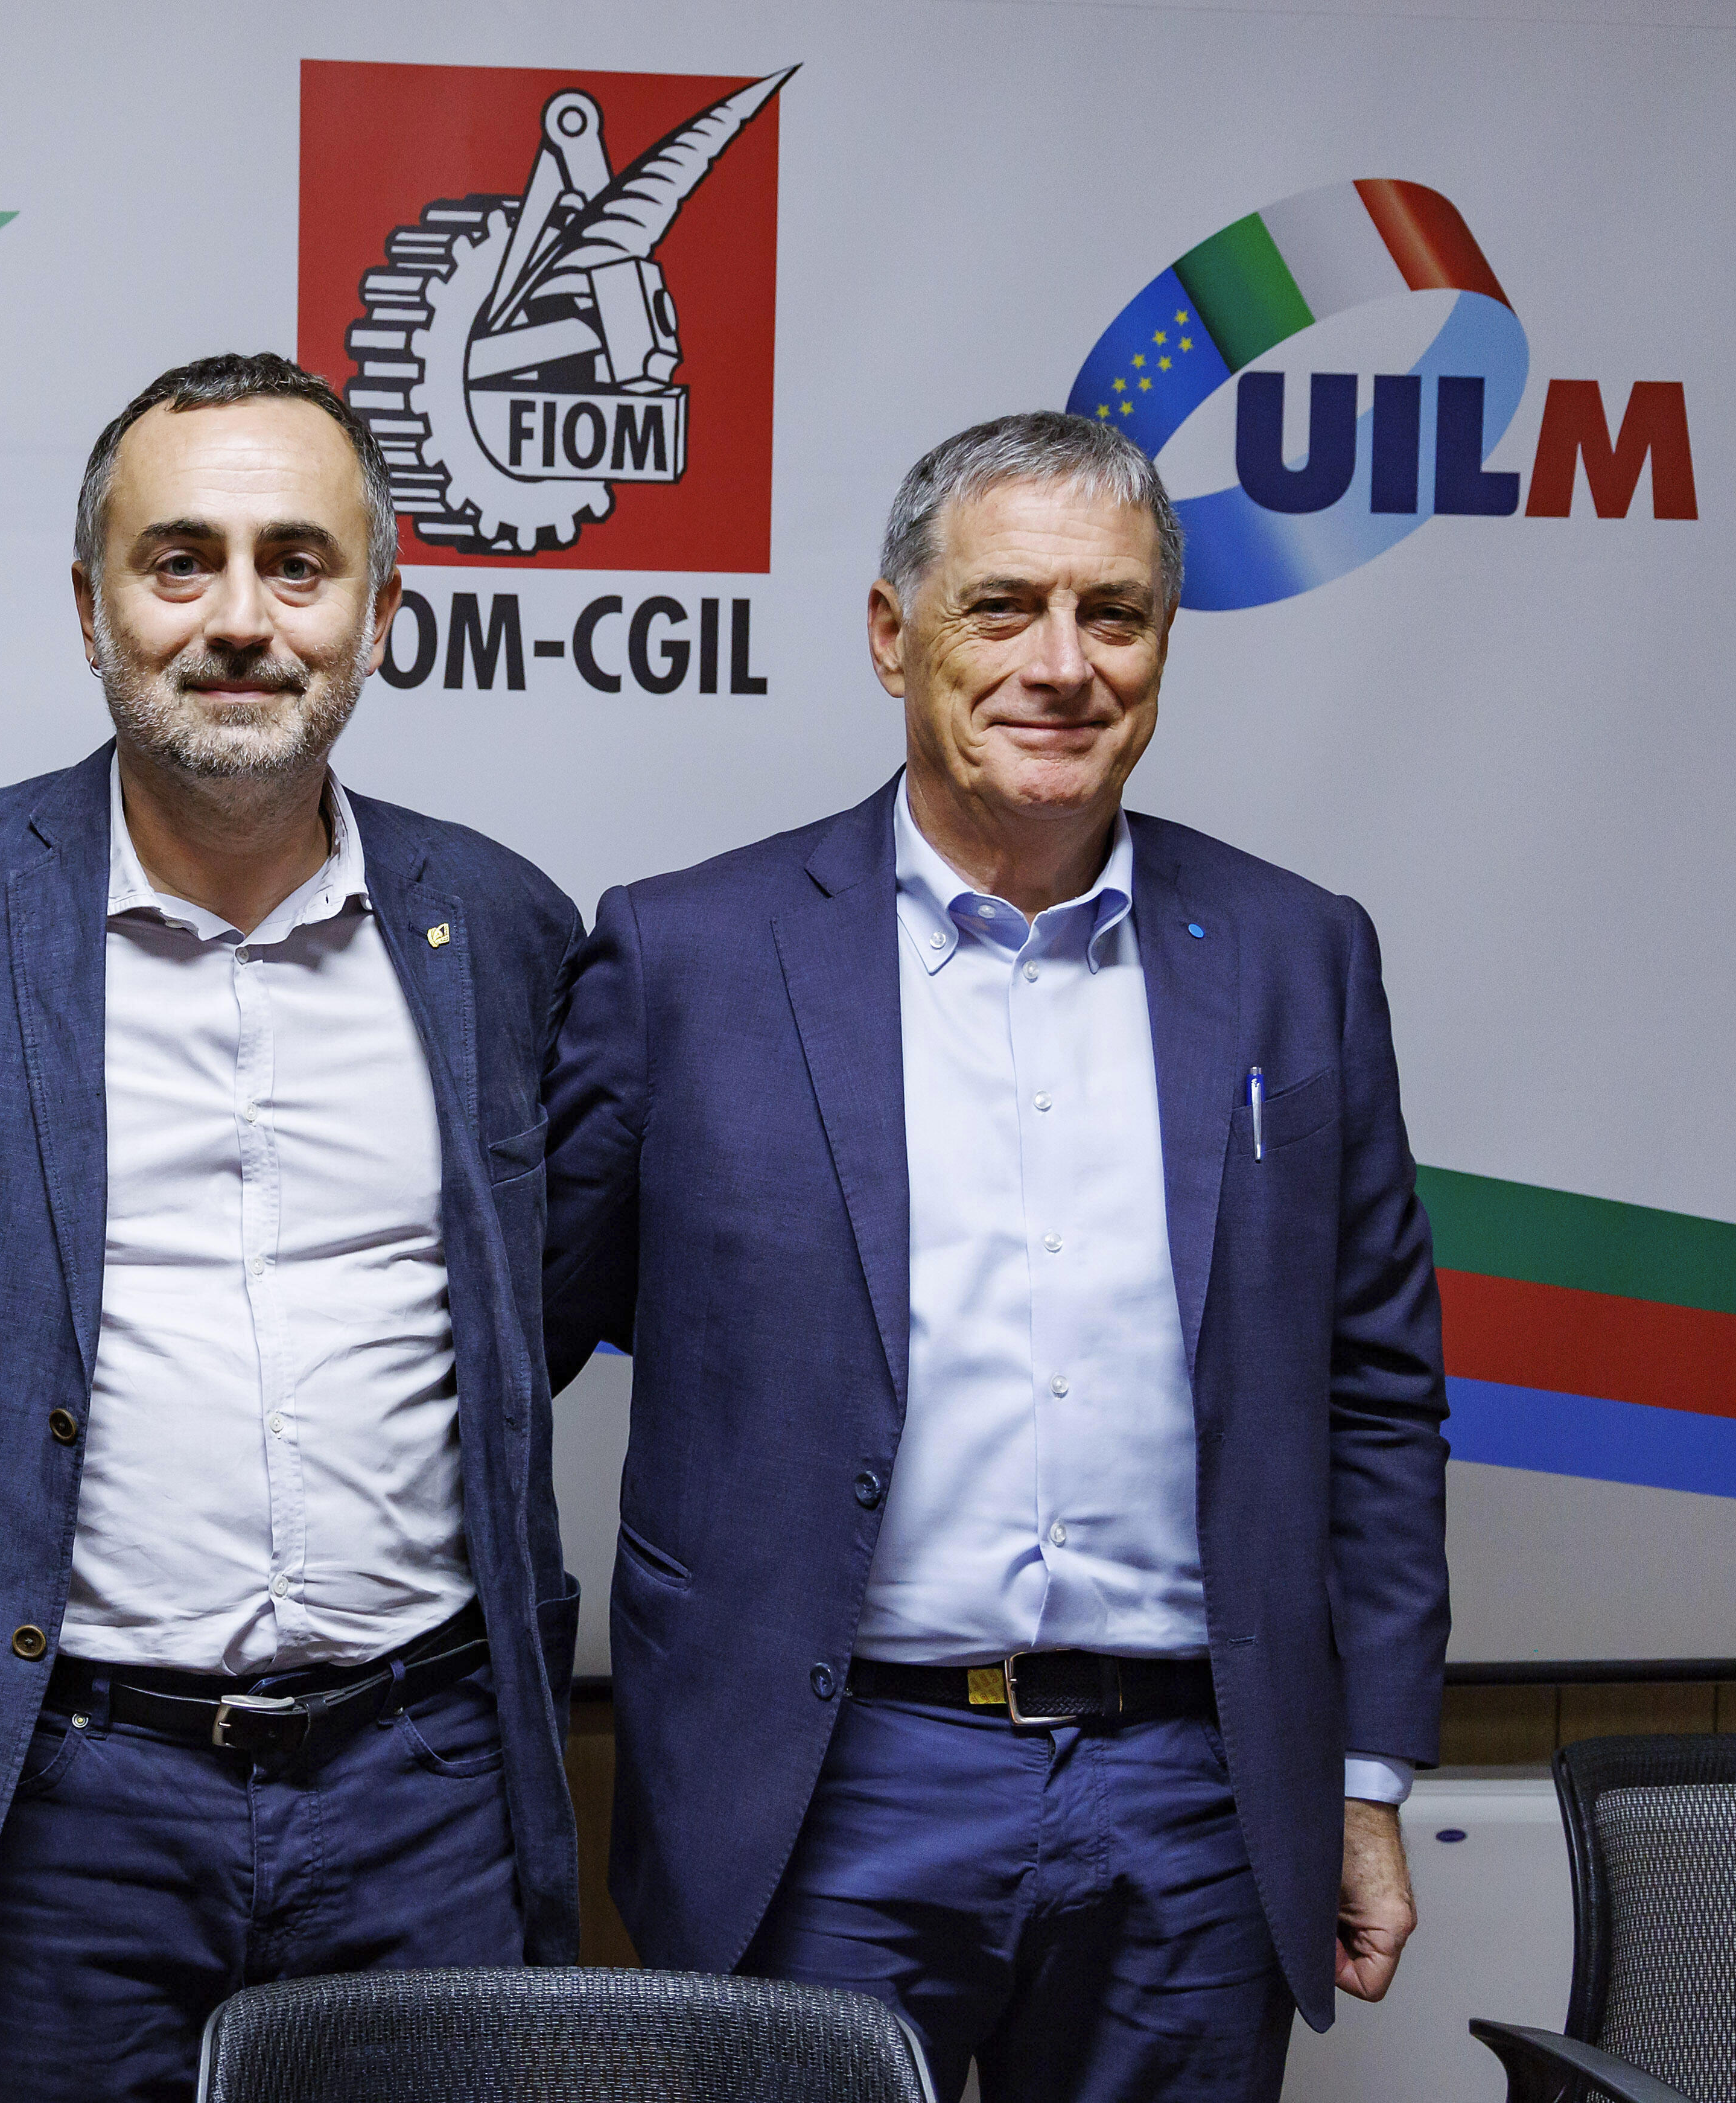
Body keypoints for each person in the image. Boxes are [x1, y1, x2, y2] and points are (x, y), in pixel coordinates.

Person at [543, 411, 1449, 2102]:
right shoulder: (687, 956)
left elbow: (1377, 1391)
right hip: (825, 1780)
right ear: (892, 635)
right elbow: (515, 1325)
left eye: (1112, 615)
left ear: (1163, 648)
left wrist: (1367, 1772)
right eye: (1001, 608)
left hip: (1191, 1791)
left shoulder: (1292, 958)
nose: (1060, 664)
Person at [0, 353, 585, 2102]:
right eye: (178, 563)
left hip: (422, 1783)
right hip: (61, 1789)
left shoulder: (504, 927)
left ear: (379, 607)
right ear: (90, 607)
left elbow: (565, 1293)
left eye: (297, 564)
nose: (239, 619)